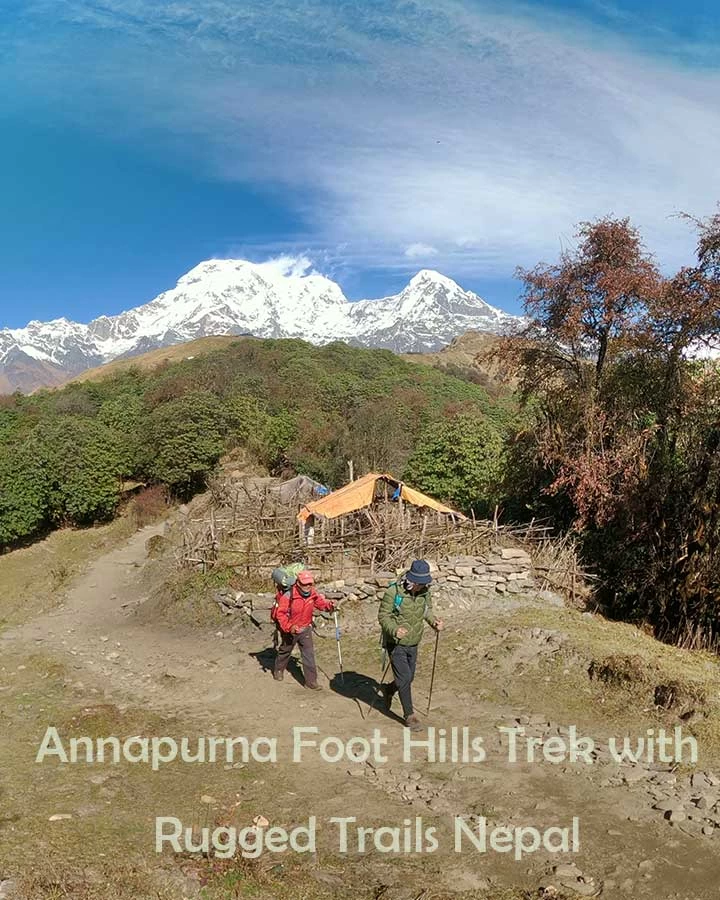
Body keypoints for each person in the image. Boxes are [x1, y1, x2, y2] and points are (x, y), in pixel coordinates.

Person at [378, 559, 444, 731]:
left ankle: (389, 689)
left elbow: (426, 611)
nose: (422, 586)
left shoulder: (424, 592)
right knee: (405, 679)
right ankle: (410, 716)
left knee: (408, 678)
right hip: (396, 643)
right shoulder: (394, 592)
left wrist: (434, 622)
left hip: (414, 642)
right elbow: (383, 616)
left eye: (424, 583)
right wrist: (394, 630)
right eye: (420, 583)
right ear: (412, 580)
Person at [273, 570, 336, 690]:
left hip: (305, 628)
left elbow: (321, 604)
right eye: (305, 584)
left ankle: (311, 682)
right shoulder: (288, 596)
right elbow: (280, 614)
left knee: (309, 655)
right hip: (290, 630)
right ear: (298, 583)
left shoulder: (312, 593)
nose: (307, 586)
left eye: (310, 584)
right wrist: (289, 627)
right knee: (285, 651)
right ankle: (278, 670)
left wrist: (330, 606)